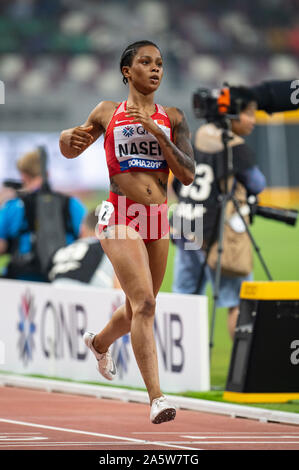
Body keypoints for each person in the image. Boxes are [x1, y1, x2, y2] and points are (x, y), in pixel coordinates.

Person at [59, 40, 195, 424]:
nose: (155, 69)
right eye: (146, 62)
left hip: (157, 218)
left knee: (141, 305)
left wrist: (160, 134)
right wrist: (66, 139)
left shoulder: (174, 116)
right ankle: (156, 398)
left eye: (161, 64)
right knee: (146, 305)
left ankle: (99, 343)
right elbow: (72, 149)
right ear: (126, 71)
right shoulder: (107, 111)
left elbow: (187, 174)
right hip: (119, 215)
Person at [171, 86, 266, 340]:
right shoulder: (234, 146)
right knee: (237, 302)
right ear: (232, 114)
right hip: (218, 235)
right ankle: (242, 372)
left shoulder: (196, 137)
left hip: (186, 227)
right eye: (249, 113)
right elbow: (257, 183)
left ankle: (183, 369)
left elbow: (177, 184)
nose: (253, 120)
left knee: (184, 300)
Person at [0, 150, 87, 282]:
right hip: (62, 280)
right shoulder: (71, 204)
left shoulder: (13, 206)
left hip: (21, 280)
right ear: (48, 174)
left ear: (23, 176)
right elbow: (87, 238)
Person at [49, 208, 119, 288]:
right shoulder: (108, 252)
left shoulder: (61, 250)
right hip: (86, 297)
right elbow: (119, 290)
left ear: (82, 228)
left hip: (51, 295)